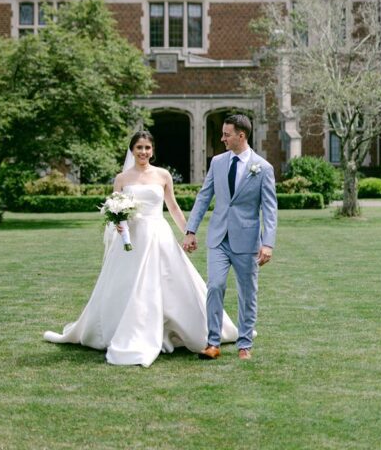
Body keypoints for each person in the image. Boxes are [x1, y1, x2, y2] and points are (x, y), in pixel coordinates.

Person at [43, 130, 237, 367]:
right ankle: (126, 330)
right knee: (129, 285)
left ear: (153, 150)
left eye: (147, 148)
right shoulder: (122, 179)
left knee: (172, 283)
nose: (143, 152)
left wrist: (188, 232)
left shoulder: (163, 175)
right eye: (139, 148)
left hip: (158, 235)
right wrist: (118, 225)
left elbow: (173, 207)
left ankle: (180, 329)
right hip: (132, 240)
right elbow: (115, 210)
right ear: (132, 151)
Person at [183, 113, 277, 361]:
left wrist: (267, 243)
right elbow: (204, 196)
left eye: (226, 134)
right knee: (214, 286)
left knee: (248, 293)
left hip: (247, 242)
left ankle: (244, 344)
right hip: (218, 238)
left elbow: (269, 210)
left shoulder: (263, 168)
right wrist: (191, 230)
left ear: (241, 136)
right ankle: (212, 343)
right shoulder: (217, 162)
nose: (222, 138)